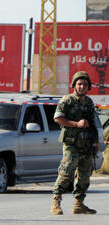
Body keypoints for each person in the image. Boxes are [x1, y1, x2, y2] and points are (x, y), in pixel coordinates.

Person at [50, 71, 99, 215]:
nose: (82, 86)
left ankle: (79, 204)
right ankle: (56, 202)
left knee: (84, 175)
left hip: (86, 144)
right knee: (65, 172)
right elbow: (58, 118)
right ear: (74, 85)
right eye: (79, 84)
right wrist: (76, 124)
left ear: (88, 86)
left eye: (84, 84)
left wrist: (95, 143)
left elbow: (92, 124)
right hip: (71, 143)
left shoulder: (89, 102)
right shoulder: (67, 100)